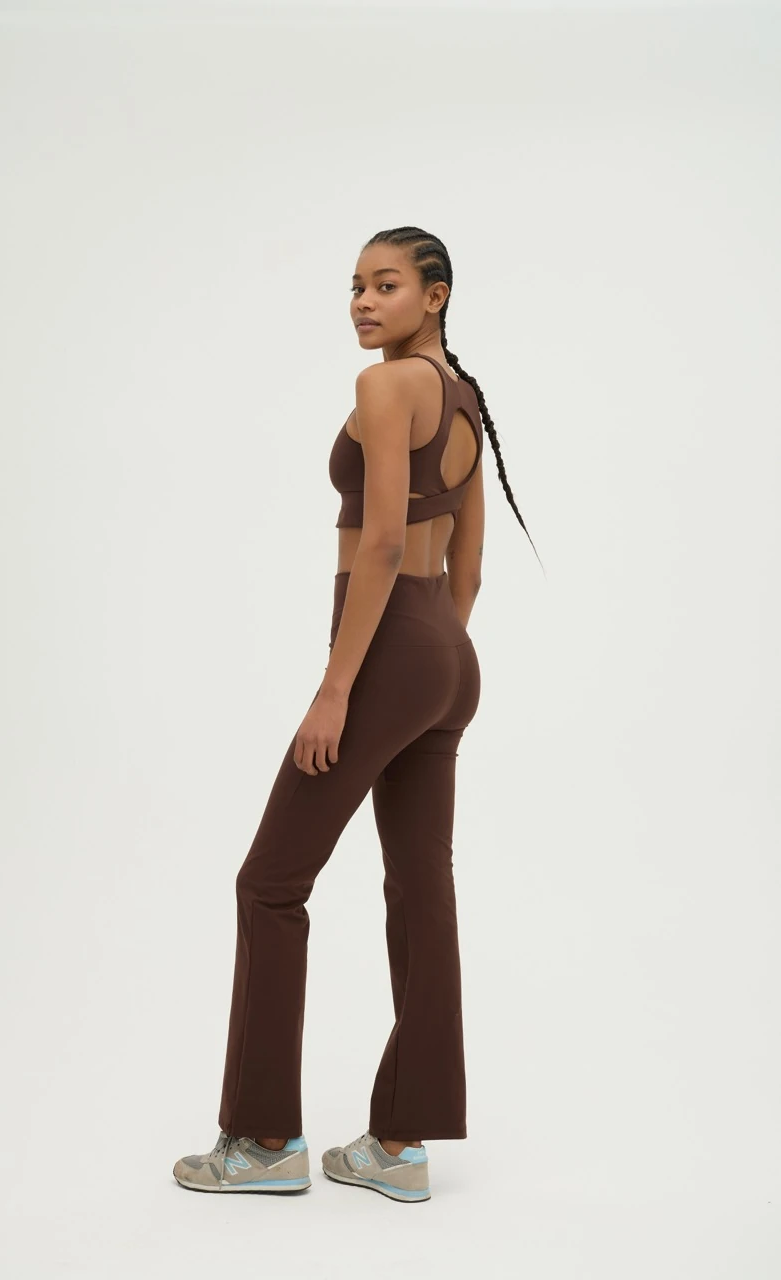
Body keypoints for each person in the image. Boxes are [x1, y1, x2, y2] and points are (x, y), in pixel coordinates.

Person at [173, 225, 540, 1203]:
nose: (363, 303)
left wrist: (341, 688)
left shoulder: (386, 388)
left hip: (388, 651)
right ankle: (400, 1146)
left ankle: (262, 1141)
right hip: (446, 652)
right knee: (421, 888)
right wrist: (431, 660)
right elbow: (467, 566)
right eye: (355, 286)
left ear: (436, 294)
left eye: (386, 285)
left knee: (268, 883)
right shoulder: (462, 395)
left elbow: (379, 543)